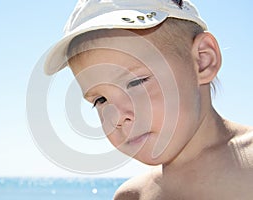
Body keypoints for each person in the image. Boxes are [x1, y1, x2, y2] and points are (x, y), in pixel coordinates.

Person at [42, 0, 253, 199]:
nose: (117, 116)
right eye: (100, 99)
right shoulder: (133, 196)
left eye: (136, 82)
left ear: (202, 61)